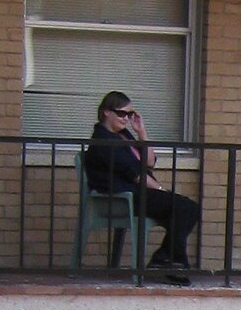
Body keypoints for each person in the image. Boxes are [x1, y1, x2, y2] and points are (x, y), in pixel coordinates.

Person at [83, 89, 199, 283]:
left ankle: (167, 259)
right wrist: (162, 190)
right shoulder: (103, 140)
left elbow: (150, 162)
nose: (126, 118)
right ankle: (169, 261)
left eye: (129, 114)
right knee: (183, 207)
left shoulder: (124, 135)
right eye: (121, 114)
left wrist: (141, 132)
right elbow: (136, 175)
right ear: (106, 112)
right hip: (121, 197)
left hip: (137, 194)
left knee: (188, 209)